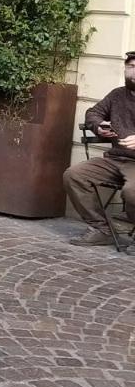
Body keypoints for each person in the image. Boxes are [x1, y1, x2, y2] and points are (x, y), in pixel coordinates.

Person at [63, 51, 135, 245]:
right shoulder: (118, 94)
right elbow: (93, 113)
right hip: (115, 160)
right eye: (131, 67)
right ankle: (101, 229)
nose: (134, 72)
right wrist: (99, 126)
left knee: (132, 192)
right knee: (74, 175)